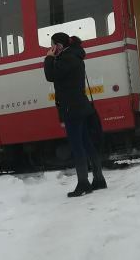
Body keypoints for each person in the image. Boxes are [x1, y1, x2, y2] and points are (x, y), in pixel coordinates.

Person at [44, 32, 107, 197]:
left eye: (52, 45)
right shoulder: (74, 56)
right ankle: (99, 179)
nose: (51, 48)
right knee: (86, 143)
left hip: (72, 109)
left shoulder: (67, 59)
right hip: (81, 106)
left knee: (77, 145)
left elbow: (50, 76)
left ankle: (83, 183)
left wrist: (49, 58)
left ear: (58, 46)